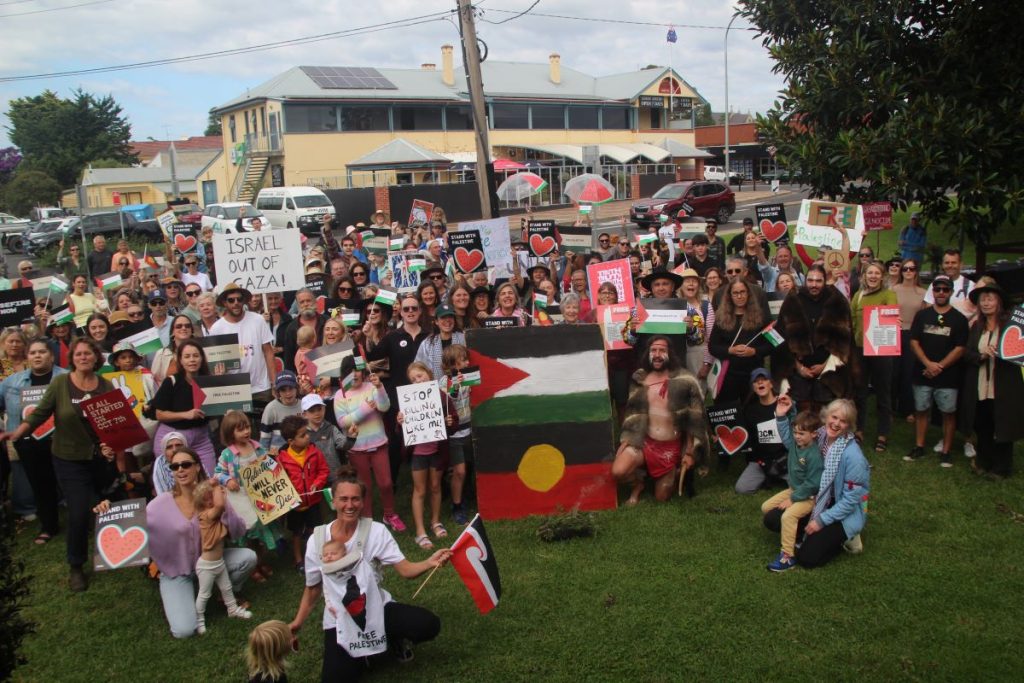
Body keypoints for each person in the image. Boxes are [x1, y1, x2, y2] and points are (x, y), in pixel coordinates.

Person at [288, 467, 452, 682]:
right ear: (333, 501)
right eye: (343, 499)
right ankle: (362, 654)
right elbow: (313, 588)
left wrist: (429, 562)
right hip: (339, 619)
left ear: (363, 502)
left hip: (377, 607)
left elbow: (405, 570)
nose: (349, 505)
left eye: (355, 499)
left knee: (428, 624)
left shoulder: (376, 531)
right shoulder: (316, 540)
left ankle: (392, 639)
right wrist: (297, 622)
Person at [1, 338, 118, 592]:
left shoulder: (106, 385)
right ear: (72, 358)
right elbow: (40, 413)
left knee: (100, 503)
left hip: (97, 458)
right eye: (78, 354)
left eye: (88, 353)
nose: (83, 357)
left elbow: (112, 424)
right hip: (68, 458)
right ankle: (76, 565)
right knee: (78, 511)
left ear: (96, 358)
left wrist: (110, 446)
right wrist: (18, 432)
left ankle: (114, 551)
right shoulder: (61, 383)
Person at [143, 446, 257, 638]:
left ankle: (222, 593)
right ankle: (186, 595)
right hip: (177, 572)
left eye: (186, 464)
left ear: (197, 467)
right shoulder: (158, 505)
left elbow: (238, 531)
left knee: (248, 558)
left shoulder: (211, 496)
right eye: (175, 466)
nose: (180, 469)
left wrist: (224, 510)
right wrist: (107, 510)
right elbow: (136, 530)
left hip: (211, 561)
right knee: (184, 630)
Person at [768, 399, 869, 567]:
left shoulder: (854, 457)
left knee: (807, 558)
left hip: (841, 510)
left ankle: (847, 538)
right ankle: (803, 534)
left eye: (843, 421)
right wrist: (782, 415)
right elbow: (792, 442)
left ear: (849, 426)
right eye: (834, 417)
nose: (836, 423)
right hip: (816, 496)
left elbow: (850, 501)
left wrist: (821, 521)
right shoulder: (820, 434)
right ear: (826, 416)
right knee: (772, 518)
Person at [613, 337, 707, 504]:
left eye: (662, 350)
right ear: (647, 353)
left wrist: (689, 452)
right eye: (653, 350)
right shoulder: (639, 378)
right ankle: (638, 484)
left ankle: (673, 471)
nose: (657, 355)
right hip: (644, 443)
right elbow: (633, 413)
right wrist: (628, 439)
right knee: (618, 472)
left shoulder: (686, 380)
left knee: (662, 497)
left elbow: (695, 420)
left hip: (670, 449)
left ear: (670, 353)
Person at [0, 339, 66, 544]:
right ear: (27, 357)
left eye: (42, 352)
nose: (37, 356)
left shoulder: (66, 377)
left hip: (63, 439)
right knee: (40, 484)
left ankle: (82, 520)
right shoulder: (11, 382)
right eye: (33, 352)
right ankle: (48, 526)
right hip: (28, 441)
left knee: (69, 481)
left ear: (51, 356)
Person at [959, 282, 1024, 478]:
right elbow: (967, 354)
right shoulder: (976, 327)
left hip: (1003, 386)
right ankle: (984, 461)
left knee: (1002, 424)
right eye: (983, 300)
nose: (986, 303)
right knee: (983, 425)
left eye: (990, 299)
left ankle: (1002, 467)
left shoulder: (1010, 327)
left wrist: (1003, 352)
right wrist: (982, 355)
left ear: (999, 302)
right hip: (980, 385)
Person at [903, 275, 968, 467]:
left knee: (948, 413)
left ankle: (946, 451)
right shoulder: (922, 315)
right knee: (921, 409)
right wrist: (927, 363)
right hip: (923, 372)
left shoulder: (959, 319)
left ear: (951, 292)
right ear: (933, 292)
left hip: (948, 375)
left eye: (945, 289)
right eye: (937, 289)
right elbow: (914, 341)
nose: (941, 293)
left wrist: (939, 366)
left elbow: (960, 348)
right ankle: (919, 445)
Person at [774, 265, 855, 410]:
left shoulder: (837, 301)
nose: (814, 284)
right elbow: (780, 338)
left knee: (825, 413)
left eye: (818, 281)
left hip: (829, 373)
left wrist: (825, 366)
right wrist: (799, 367)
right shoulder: (793, 299)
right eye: (810, 280)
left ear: (825, 281)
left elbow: (844, 340)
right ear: (805, 280)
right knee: (800, 413)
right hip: (798, 372)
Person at [760, 393, 824, 571]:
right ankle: (797, 534)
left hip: (809, 497)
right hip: (794, 490)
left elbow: (813, 484)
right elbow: (784, 430)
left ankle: (787, 556)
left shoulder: (814, 455)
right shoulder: (794, 445)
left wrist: (793, 499)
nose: (797, 436)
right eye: (795, 433)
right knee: (766, 507)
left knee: (788, 516)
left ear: (814, 434)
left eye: (801, 434)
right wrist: (782, 415)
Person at [398, 362, 456, 550]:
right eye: (413, 379)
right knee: (420, 490)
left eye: (420, 376)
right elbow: (400, 430)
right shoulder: (408, 400)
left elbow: (454, 422)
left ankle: (435, 522)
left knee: (435, 486)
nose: (417, 381)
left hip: (437, 451)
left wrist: (450, 421)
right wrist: (400, 422)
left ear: (429, 375)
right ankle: (420, 531)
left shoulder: (442, 396)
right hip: (418, 453)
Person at [216, 410, 280, 579]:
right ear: (230, 433)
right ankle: (252, 566)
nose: (246, 432)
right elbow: (218, 473)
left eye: (247, 427)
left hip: (259, 496)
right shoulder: (228, 454)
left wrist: (273, 461)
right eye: (240, 429)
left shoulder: (257, 447)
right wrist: (228, 480)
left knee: (261, 531)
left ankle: (261, 561)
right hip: (240, 500)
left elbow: (268, 466)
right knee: (248, 531)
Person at [193, 479, 253, 633]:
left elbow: (223, 505)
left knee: (226, 588)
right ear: (200, 503)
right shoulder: (206, 516)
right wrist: (215, 486)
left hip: (219, 563)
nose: (211, 501)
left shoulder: (216, 516)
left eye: (211, 497)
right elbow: (220, 505)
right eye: (206, 499)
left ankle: (232, 609)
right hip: (207, 566)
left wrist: (220, 492)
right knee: (204, 594)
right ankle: (199, 619)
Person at [150, 339, 218, 475]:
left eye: (196, 356)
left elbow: (216, 410)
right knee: (176, 480)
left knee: (209, 478)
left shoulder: (209, 381)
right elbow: (159, 414)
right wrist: (186, 414)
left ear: (202, 358)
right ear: (180, 360)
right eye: (187, 356)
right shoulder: (171, 381)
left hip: (201, 438)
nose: (192, 360)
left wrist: (221, 381)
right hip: (173, 438)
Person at [210, 283, 277, 419]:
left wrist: (274, 382)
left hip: (260, 387)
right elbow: (215, 362)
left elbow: (268, 352)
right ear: (224, 303)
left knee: (264, 426)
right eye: (231, 300)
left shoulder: (258, 320)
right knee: (239, 428)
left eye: (239, 299)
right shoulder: (217, 328)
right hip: (235, 390)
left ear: (244, 301)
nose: (236, 303)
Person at [850, 260, 897, 450]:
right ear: (864, 276)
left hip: (881, 349)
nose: (873, 276)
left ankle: (883, 433)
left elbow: (890, 316)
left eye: (877, 273)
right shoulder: (858, 295)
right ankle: (859, 430)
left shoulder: (888, 294)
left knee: (883, 392)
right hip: (860, 350)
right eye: (869, 273)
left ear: (882, 276)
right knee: (860, 392)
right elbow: (852, 321)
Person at [277, 415, 330, 571]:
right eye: (303, 435)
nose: (307, 436)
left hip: (313, 502)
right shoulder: (282, 459)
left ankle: (319, 555)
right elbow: (280, 480)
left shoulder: (314, 452)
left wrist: (317, 483)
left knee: (316, 530)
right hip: (295, 505)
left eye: (306, 433)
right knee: (296, 533)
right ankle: (298, 559)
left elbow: (323, 470)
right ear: (290, 441)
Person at [707, 279, 771, 403]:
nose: (739, 296)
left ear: (748, 293)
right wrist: (730, 350)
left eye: (742, 292)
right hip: (728, 376)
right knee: (727, 410)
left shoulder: (761, 317)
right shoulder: (721, 318)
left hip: (754, 375)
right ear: (730, 295)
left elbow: (770, 346)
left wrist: (754, 351)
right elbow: (713, 347)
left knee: (752, 411)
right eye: (735, 293)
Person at [736, 369, 788, 494]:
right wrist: (722, 438)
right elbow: (743, 437)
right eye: (756, 381)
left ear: (771, 384)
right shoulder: (749, 410)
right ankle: (769, 475)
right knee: (741, 488)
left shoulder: (784, 404)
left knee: (800, 487)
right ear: (753, 387)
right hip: (761, 461)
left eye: (764, 379)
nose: (760, 382)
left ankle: (776, 476)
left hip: (785, 459)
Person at [892, 258, 927, 419]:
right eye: (905, 269)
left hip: (912, 335)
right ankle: (890, 407)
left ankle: (907, 409)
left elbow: (925, 316)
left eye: (911, 269)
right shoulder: (893, 290)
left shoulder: (923, 293)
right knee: (893, 372)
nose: (908, 271)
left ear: (916, 271)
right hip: (894, 333)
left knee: (909, 371)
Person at [414, 304, 465, 379]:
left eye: (450, 317)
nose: (447, 320)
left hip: (463, 383)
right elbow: (417, 368)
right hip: (435, 384)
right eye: (443, 317)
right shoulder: (427, 344)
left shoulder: (463, 338)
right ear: (436, 321)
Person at [259, 371, 303, 455]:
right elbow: (264, 438)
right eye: (283, 390)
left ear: (296, 388)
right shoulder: (271, 408)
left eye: (291, 388)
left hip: (300, 455)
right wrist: (265, 458)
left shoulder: (303, 406)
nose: (288, 393)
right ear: (278, 392)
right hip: (278, 456)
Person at [924, 248, 975, 319]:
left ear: (961, 264)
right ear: (942, 265)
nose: (950, 265)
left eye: (953, 262)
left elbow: (971, 312)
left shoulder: (970, 285)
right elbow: (928, 308)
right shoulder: (935, 284)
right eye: (947, 263)